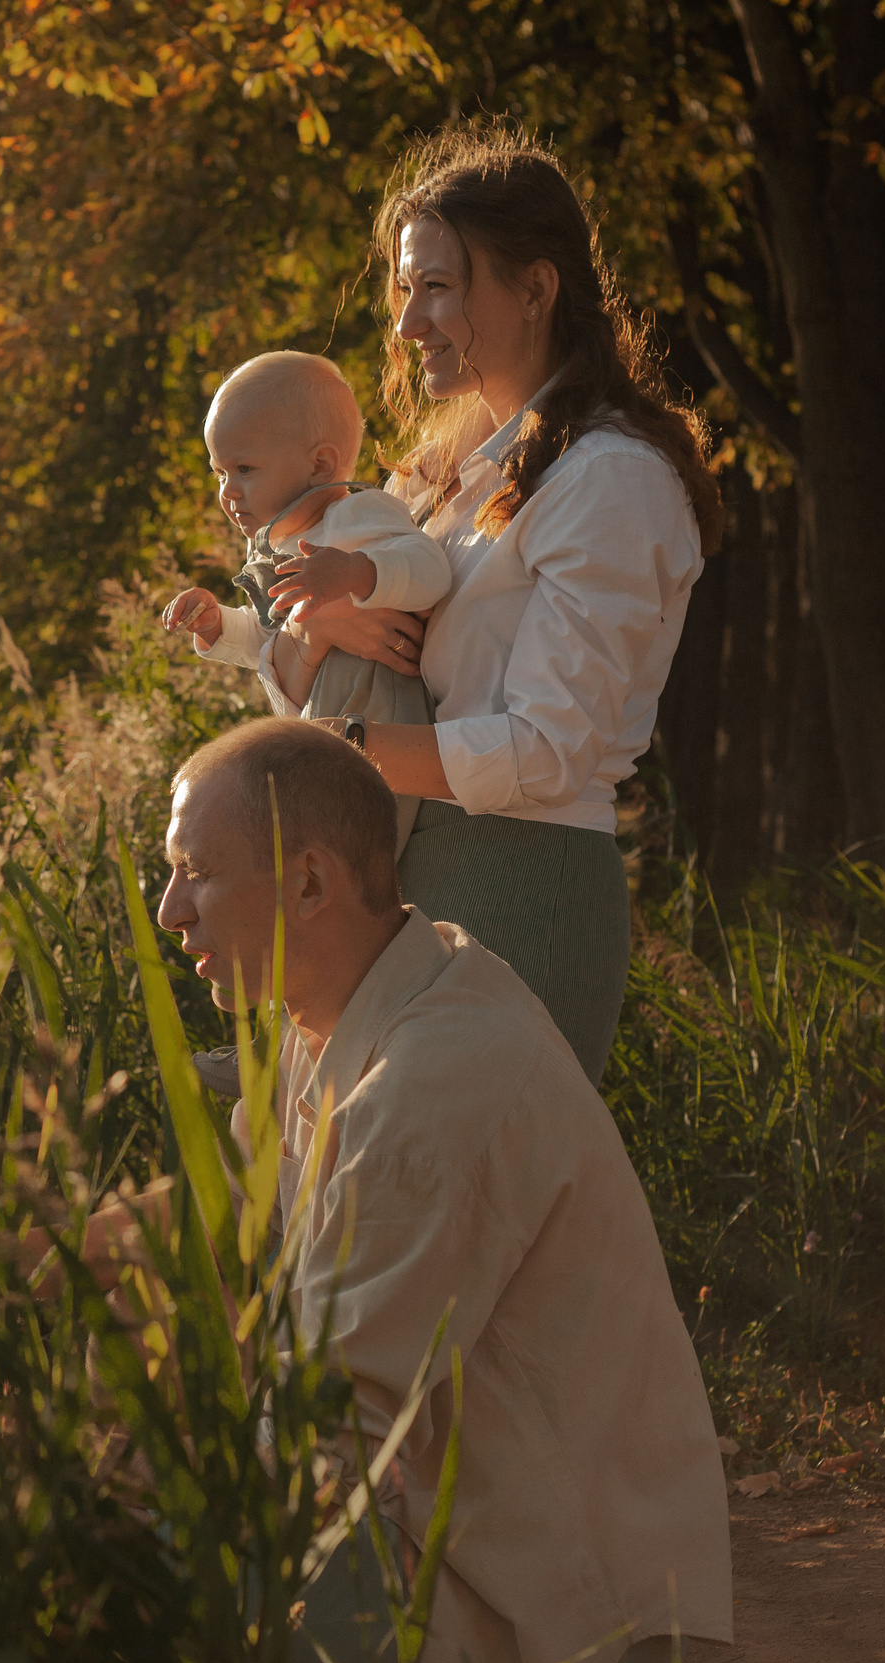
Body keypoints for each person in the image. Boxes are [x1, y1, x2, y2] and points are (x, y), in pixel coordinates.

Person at [153, 717, 732, 1663]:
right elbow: (217, 1234)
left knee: (152, 1591)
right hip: (458, 1534)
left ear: (308, 883)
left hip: (565, 1622)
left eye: (196, 873)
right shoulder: (334, 1017)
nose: (169, 911)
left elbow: (328, 1417)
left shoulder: (437, 1076)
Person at [251, 127, 725, 1093]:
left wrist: (343, 747)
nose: (405, 324)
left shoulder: (611, 481)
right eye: (403, 290)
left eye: (436, 287)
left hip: (522, 886)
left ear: (536, 289)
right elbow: (358, 679)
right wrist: (313, 631)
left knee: (461, 1220)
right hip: (413, 889)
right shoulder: (447, 487)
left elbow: (548, 751)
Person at [159, 350, 450, 850]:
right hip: (331, 739)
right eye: (219, 473)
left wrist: (357, 573)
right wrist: (219, 626)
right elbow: (270, 641)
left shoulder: (356, 516)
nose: (228, 493)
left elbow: (431, 571)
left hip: (386, 736)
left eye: (244, 468)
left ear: (320, 464)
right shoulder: (276, 548)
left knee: (344, 851)